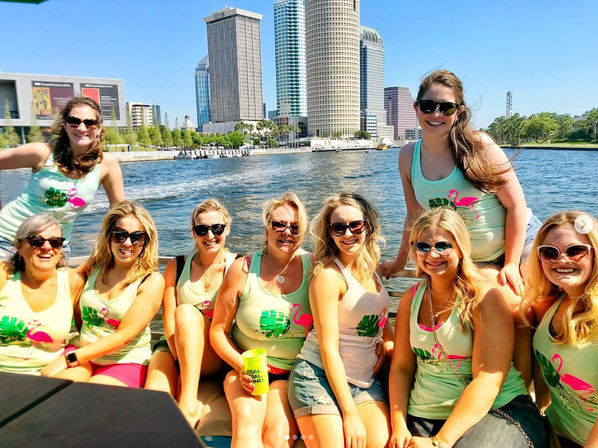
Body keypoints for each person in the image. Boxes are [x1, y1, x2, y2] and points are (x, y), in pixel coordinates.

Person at [388, 208, 546, 448]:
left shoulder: (483, 297)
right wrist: (398, 425)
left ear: (461, 248)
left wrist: (439, 442)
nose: (432, 254)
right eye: (423, 246)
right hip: (424, 413)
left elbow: (488, 380)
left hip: (497, 409)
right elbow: (401, 367)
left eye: (443, 246)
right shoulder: (412, 298)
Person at [381, 70, 540, 298]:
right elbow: (414, 215)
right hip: (466, 257)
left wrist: (511, 264)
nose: (436, 113)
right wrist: (399, 261)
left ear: (458, 112)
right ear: (416, 108)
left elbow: (516, 206)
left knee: (526, 306)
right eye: (428, 106)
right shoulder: (407, 156)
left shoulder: (479, 145)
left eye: (446, 107)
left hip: (519, 243)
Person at [288, 192, 393, 448]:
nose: (348, 234)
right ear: (330, 233)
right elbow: (328, 349)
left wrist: (388, 347)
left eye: (355, 225)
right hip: (317, 376)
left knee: (380, 443)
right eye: (339, 227)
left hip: (363, 379)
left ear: (367, 226)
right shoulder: (328, 277)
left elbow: (381, 320)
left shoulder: (372, 268)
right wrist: (350, 414)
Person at [210, 192, 312, 447]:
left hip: (291, 372)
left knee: (276, 436)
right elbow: (218, 331)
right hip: (245, 367)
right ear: (267, 226)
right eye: (279, 224)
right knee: (246, 423)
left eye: (295, 227)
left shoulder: (315, 267)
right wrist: (240, 364)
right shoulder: (242, 270)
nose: (286, 231)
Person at [41, 200, 164, 388]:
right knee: (53, 385)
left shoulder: (151, 281)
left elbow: (124, 337)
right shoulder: (95, 265)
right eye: (119, 235)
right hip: (83, 351)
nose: (127, 243)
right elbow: (67, 282)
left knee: (94, 394)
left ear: (146, 241)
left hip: (123, 361)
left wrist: (70, 358)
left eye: (136, 237)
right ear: (109, 235)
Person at [145, 199, 237, 426]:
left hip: (215, 352)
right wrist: (181, 364)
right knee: (154, 402)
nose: (210, 236)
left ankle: (187, 403)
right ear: (193, 233)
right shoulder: (177, 267)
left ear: (227, 228)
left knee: (186, 312)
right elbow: (168, 322)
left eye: (217, 228)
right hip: (174, 347)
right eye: (201, 229)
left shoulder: (238, 266)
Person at [0, 96, 124, 261]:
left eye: (89, 122)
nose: (81, 127)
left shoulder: (107, 164)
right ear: (65, 125)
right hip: (9, 239)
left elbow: (119, 212)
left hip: (55, 247)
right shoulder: (42, 153)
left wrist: (113, 246)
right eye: (74, 121)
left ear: (99, 128)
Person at [525, 211, 598, 448]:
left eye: (575, 251)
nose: (562, 260)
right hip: (557, 435)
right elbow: (540, 367)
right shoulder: (548, 304)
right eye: (549, 252)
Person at [0, 214, 84, 375]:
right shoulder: (3, 276)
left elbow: (86, 333)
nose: (47, 247)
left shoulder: (72, 281)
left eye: (55, 242)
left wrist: (69, 358)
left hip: (49, 377)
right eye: (36, 241)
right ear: (19, 246)